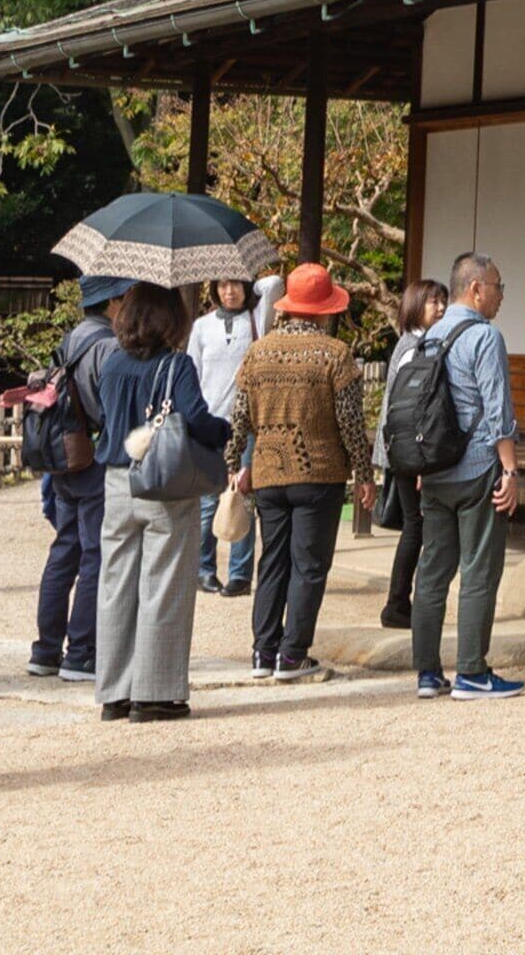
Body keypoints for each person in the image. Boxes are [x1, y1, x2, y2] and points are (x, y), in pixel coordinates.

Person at [84, 281, 228, 720]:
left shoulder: (111, 363)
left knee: (116, 585)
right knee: (164, 583)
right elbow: (196, 418)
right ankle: (154, 693)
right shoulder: (176, 365)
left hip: (116, 481)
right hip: (163, 482)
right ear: (172, 320)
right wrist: (223, 430)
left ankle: (114, 692)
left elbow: (102, 415)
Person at [227, 264, 373, 681]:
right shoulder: (335, 355)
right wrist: (364, 473)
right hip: (319, 474)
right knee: (309, 565)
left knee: (272, 561)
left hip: (268, 472)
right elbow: (350, 422)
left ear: (288, 307)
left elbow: (240, 417)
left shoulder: (258, 353)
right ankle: (292, 656)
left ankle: (263, 652)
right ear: (325, 309)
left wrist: (234, 463)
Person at [404, 255, 521, 699]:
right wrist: (510, 470)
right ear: (476, 289)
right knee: (478, 571)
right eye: (497, 286)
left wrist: (420, 464)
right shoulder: (485, 337)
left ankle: (427, 673)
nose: (501, 295)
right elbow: (498, 411)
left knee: (432, 572)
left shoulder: (428, 337)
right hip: (477, 468)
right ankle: (472, 671)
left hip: (434, 470)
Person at [23, 277, 123, 682]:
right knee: (95, 553)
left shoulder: (71, 340)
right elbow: (110, 408)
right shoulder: (108, 346)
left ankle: (45, 650)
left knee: (64, 549)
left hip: (63, 456)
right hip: (93, 458)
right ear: (113, 302)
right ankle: (81, 652)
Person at [373, 280, 448, 630]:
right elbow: (408, 409)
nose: (441, 308)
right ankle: (398, 604)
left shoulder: (418, 342)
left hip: (404, 447)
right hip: (408, 449)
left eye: (443, 301)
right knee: (416, 526)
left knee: (415, 526)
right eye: (433, 301)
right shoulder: (413, 347)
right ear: (416, 305)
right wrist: (418, 458)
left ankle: (402, 603)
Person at [187, 279, 263, 593]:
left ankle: (240, 574)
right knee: (207, 500)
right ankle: (204, 568)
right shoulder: (202, 326)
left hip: (245, 423)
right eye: (222, 285)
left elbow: (274, 284)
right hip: (209, 422)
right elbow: (191, 374)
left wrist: (253, 285)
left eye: (235, 285)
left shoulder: (257, 319)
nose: (229, 292)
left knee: (242, 497)